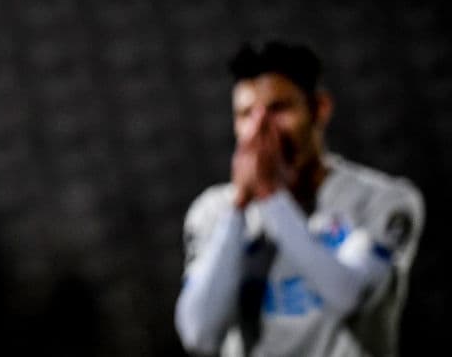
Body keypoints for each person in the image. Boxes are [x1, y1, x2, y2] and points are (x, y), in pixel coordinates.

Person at [174, 39, 424, 357]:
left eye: (278, 109)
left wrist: (269, 196)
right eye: (245, 114)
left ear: (319, 109)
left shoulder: (383, 201)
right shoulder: (214, 212)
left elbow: (348, 298)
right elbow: (198, 334)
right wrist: (238, 209)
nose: (261, 130)